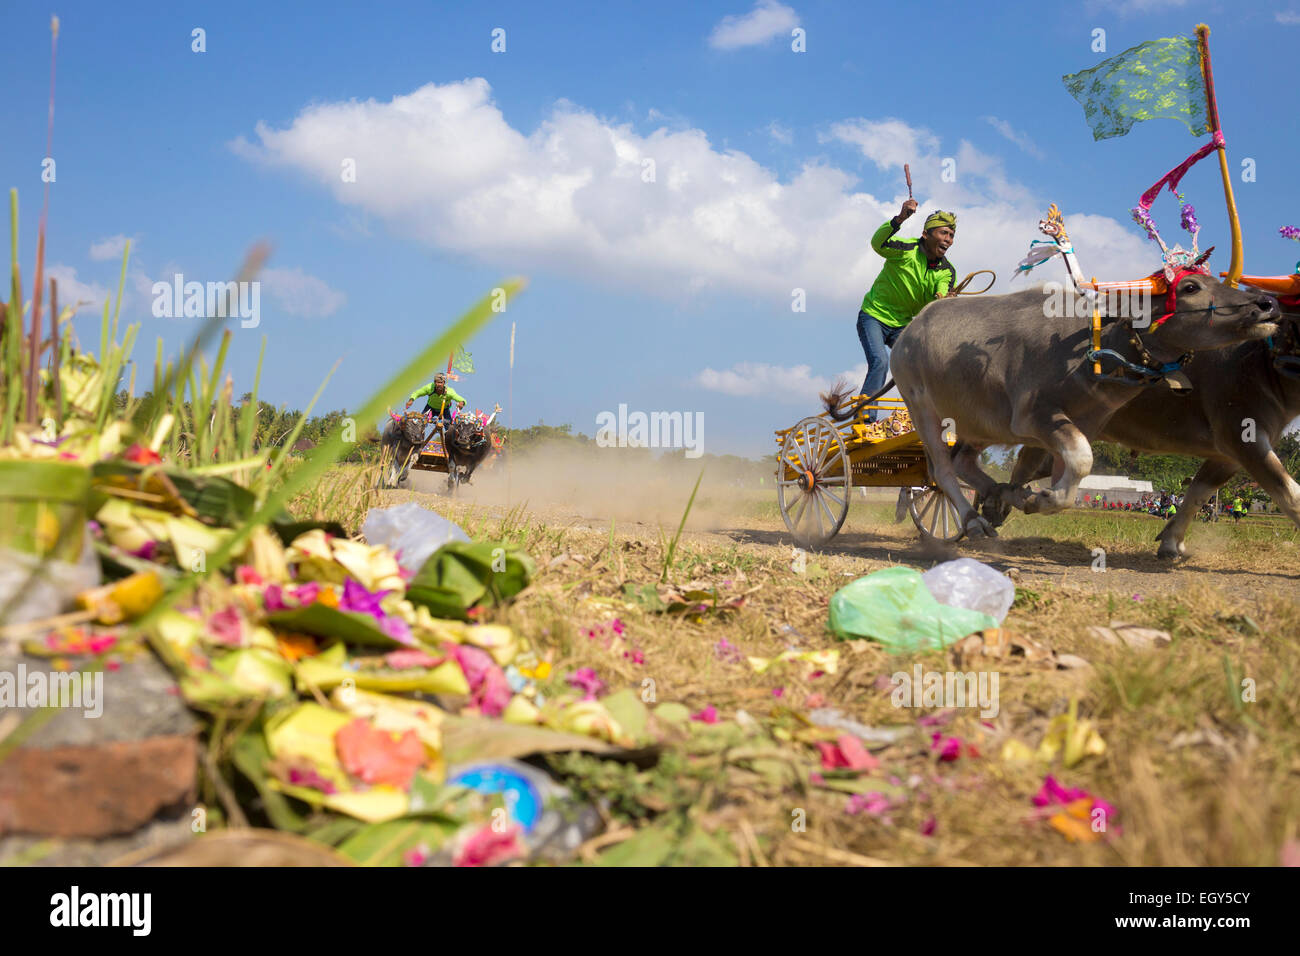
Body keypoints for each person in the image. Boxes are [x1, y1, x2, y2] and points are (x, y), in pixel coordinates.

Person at [856, 202, 958, 421]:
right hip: (873, 315)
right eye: (944, 233)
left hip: (903, 325)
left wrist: (943, 301)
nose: (948, 239)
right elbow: (877, 243)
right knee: (880, 362)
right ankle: (866, 419)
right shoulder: (906, 250)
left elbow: (940, 297)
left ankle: (921, 419)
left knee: (922, 365)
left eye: (951, 235)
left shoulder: (947, 271)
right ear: (925, 234)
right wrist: (900, 217)